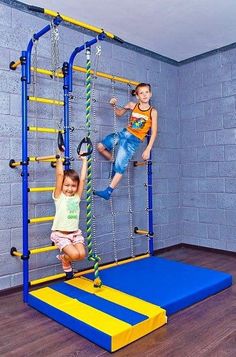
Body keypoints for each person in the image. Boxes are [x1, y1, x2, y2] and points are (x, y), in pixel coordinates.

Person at [94, 83, 158, 200]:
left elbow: (154, 132)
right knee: (100, 146)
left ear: (150, 94)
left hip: (133, 140)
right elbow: (119, 113)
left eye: (146, 92)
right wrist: (113, 105)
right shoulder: (132, 105)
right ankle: (113, 160)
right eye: (141, 93)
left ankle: (108, 191)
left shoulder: (152, 112)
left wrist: (148, 149)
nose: (144, 95)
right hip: (124, 133)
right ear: (137, 96)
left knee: (120, 167)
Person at [50, 152, 87, 279]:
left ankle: (65, 258)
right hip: (61, 235)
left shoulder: (76, 197)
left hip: (75, 233)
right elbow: (60, 175)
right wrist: (59, 159)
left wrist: (84, 161)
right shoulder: (59, 196)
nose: (70, 189)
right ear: (62, 186)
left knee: (81, 255)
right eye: (67, 185)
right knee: (75, 255)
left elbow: (82, 179)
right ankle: (65, 260)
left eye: (73, 186)